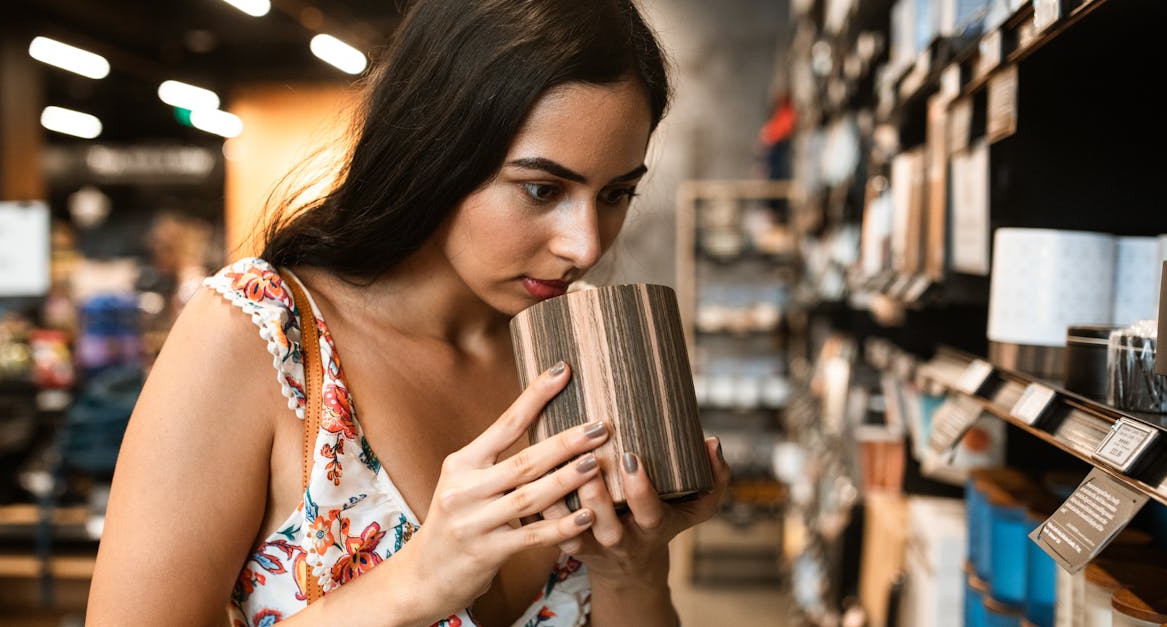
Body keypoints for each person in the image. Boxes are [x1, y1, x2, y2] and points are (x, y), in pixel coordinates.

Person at [85, 1, 730, 625]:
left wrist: (630, 567)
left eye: (617, 193)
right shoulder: (260, 335)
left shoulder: (585, 342)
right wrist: (412, 584)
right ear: (436, 149)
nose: (585, 245)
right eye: (542, 189)